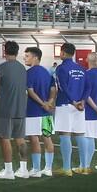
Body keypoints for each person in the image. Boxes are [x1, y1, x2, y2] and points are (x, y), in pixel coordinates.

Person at [0, 40, 28, 179]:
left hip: (6, 108)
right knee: (20, 139)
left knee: (5, 138)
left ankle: (9, 170)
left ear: (4, 52)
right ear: (17, 52)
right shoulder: (22, 68)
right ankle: (23, 169)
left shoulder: (1, 68)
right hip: (20, 108)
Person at [53, 43, 86, 176]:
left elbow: (62, 86)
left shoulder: (61, 68)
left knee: (65, 134)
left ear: (64, 53)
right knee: (79, 134)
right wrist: (82, 101)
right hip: (80, 106)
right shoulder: (81, 68)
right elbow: (87, 86)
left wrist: (73, 101)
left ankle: (67, 168)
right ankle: (84, 167)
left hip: (66, 104)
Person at [23, 46, 56, 177]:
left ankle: (36, 169)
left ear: (35, 57)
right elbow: (53, 89)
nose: (25, 58)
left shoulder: (29, 73)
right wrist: (49, 102)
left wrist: (43, 104)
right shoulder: (48, 72)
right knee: (47, 138)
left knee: (34, 139)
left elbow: (30, 91)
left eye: (27, 56)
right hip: (46, 112)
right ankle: (48, 168)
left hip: (33, 111)